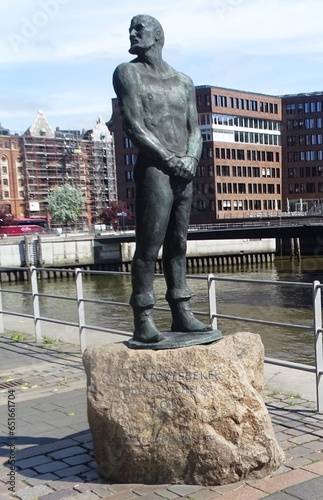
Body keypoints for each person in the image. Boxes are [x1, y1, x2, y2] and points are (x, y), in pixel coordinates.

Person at [113, 14, 211, 343]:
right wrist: (170, 159)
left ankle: (181, 311)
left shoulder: (183, 81)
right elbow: (133, 125)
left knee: (179, 244)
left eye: (138, 29)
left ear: (157, 35)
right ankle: (143, 316)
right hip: (156, 169)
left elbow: (194, 130)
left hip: (184, 169)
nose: (132, 34)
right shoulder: (127, 73)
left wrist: (192, 159)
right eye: (131, 29)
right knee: (149, 245)